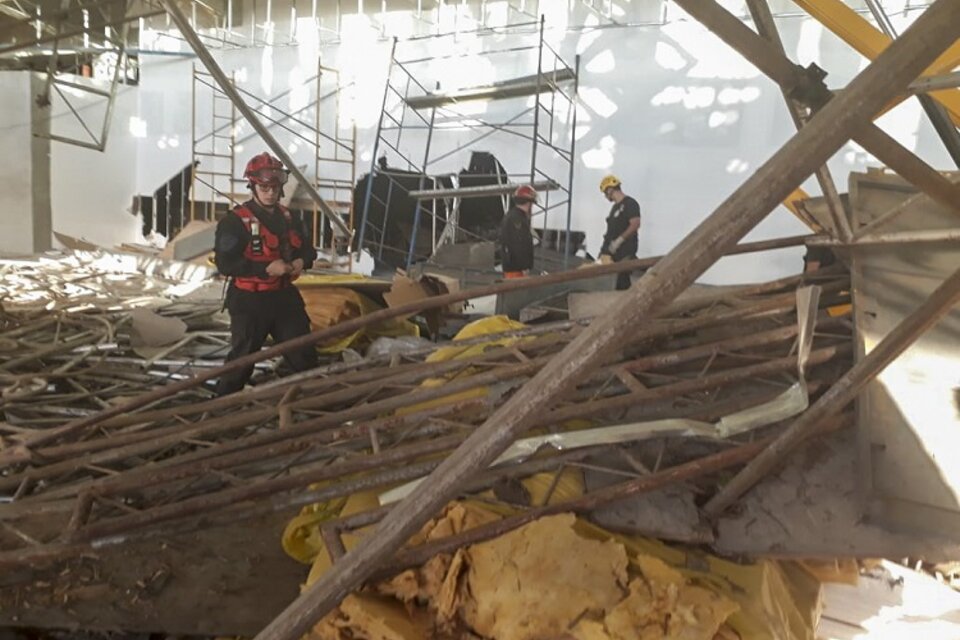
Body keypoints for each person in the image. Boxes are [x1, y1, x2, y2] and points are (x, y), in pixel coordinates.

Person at [213, 152, 318, 395]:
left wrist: (303, 260)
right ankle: (220, 406)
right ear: (253, 186)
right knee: (242, 361)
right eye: (264, 187)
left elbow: (308, 250)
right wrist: (265, 269)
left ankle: (313, 402)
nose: (270, 192)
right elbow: (225, 264)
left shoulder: (290, 218)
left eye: (275, 187)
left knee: (303, 353)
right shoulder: (234, 222)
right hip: (249, 302)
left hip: (284, 299)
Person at [598, 175, 641, 291]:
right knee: (616, 283)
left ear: (610, 189)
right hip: (613, 255)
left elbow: (635, 224)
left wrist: (619, 240)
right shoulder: (614, 208)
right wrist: (604, 251)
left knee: (623, 282)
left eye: (605, 192)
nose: (605, 196)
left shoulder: (630, 204)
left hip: (625, 252)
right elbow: (610, 231)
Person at [498, 185, 537, 279]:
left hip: (513, 267)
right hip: (516, 269)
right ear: (528, 203)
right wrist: (524, 267)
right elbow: (519, 244)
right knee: (517, 292)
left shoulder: (514, 216)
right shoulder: (517, 219)